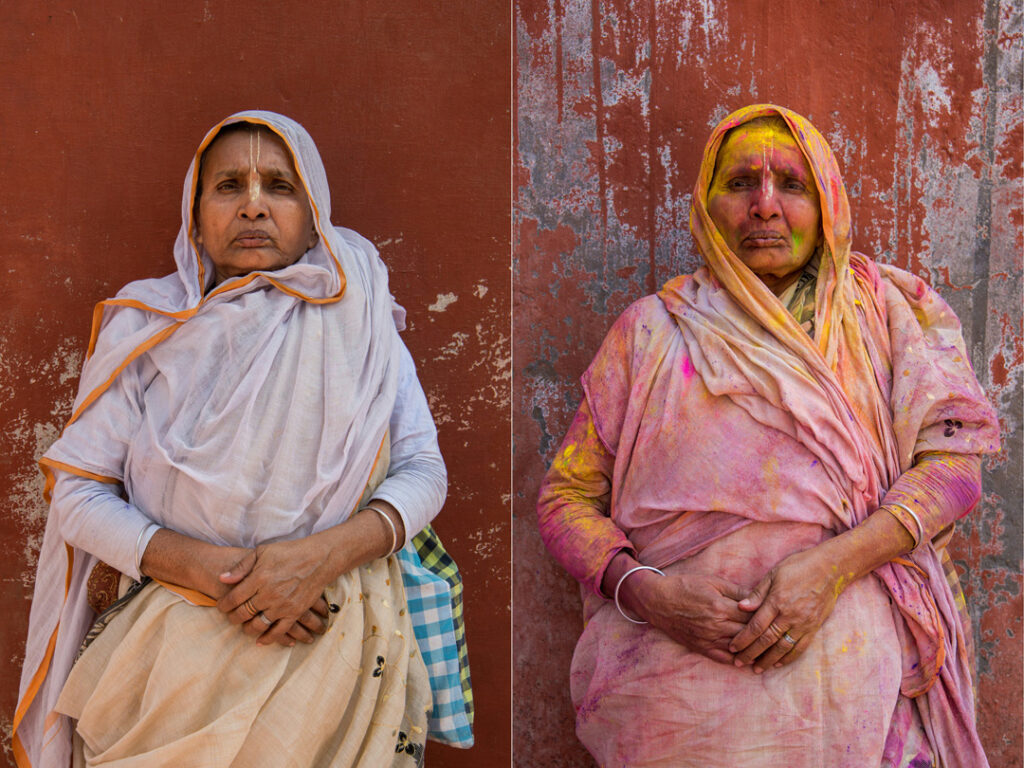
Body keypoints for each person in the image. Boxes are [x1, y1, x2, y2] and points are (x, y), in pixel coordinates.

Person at [537, 104, 999, 767]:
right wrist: (647, 593)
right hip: (677, 707)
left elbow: (955, 465)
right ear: (706, 203)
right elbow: (563, 502)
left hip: (857, 703)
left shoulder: (887, 314)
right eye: (739, 184)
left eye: (791, 184)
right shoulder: (648, 334)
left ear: (827, 200)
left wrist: (833, 568)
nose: (764, 205)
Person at [15, 111, 471, 767]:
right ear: (195, 214)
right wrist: (216, 575)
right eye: (229, 185)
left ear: (314, 212)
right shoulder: (149, 328)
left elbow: (423, 470)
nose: (254, 205)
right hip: (171, 663)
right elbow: (78, 494)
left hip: (332, 637)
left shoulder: (359, 316)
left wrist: (320, 559)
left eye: (279, 187)